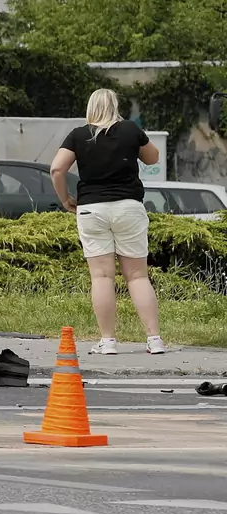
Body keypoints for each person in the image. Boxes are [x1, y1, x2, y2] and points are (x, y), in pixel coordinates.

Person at [49, 88, 166, 355]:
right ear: (115, 106)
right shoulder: (129, 130)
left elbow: (56, 168)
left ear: (90, 107)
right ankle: (154, 339)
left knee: (101, 277)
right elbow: (153, 157)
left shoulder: (79, 135)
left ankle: (108, 341)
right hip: (128, 207)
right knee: (137, 276)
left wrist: (66, 198)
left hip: (91, 209)